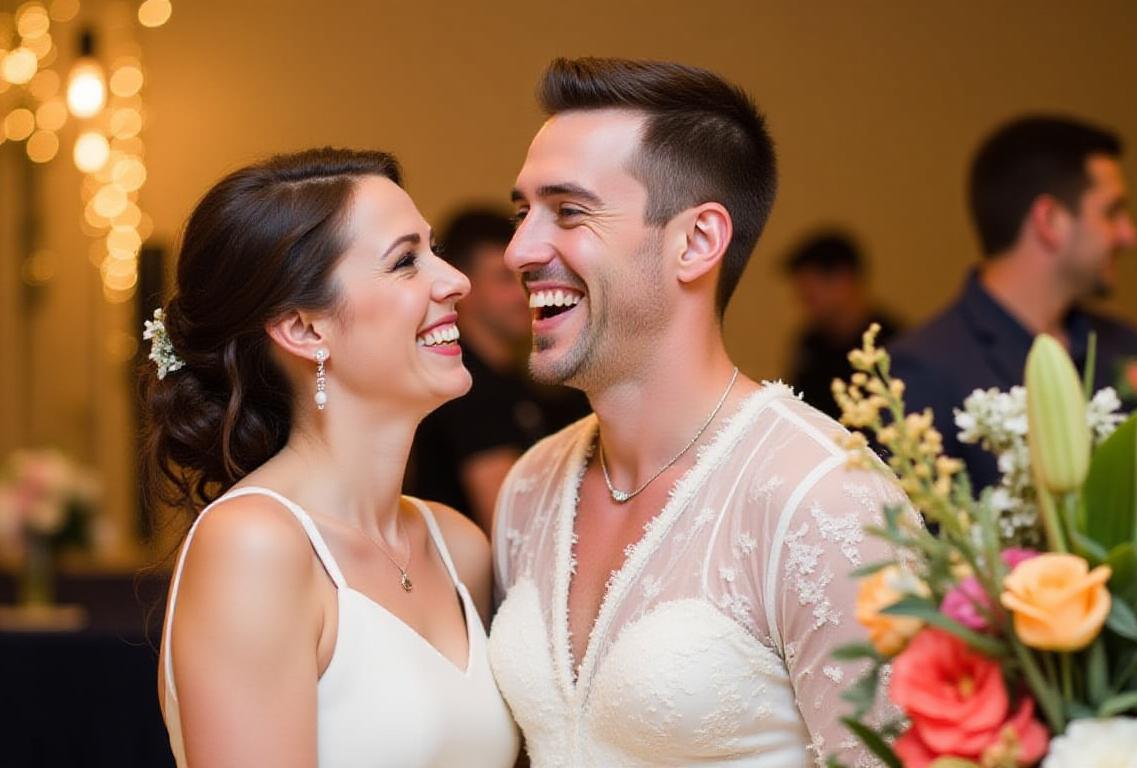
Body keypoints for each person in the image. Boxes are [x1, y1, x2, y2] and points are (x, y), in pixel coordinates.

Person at [487, 57, 908, 767]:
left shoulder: (826, 495)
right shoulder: (531, 485)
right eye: (522, 211)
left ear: (697, 242)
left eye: (568, 211)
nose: (519, 250)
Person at [145, 149, 518, 767]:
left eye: (434, 249)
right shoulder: (255, 545)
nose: (456, 281)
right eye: (406, 262)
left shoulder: (458, 547)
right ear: (305, 330)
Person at [889, 115, 1137, 491]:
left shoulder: (1124, 346)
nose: (1130, 236)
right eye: (1112, 212)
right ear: (1050, 220)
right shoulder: (922, 373)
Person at [404, 207, 589, 533]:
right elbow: (512, 528)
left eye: (524, 278)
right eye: (504, 280)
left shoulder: (513, 382)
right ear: (463, 287)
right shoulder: (467, 386)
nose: (524, 293)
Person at [785, 230, 901, 419]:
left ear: (843, 281)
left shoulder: (892, 344)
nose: (805, 307)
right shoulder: (811, 344)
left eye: (810, 297)